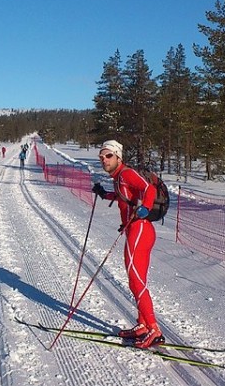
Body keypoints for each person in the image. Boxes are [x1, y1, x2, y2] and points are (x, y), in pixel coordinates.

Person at [92, 139, 163, 349]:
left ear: (118, 157)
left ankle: (153, 329)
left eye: (108, 156)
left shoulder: (126, 173)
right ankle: (142, 324)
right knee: (137, 279)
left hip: (140, 229)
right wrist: (105, 194)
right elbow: (125, 195)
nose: (104, 160)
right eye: (101, 157)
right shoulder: (118, 178)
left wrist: (146, 208)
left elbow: (148, 189)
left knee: (135, 279)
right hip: (135, 230)